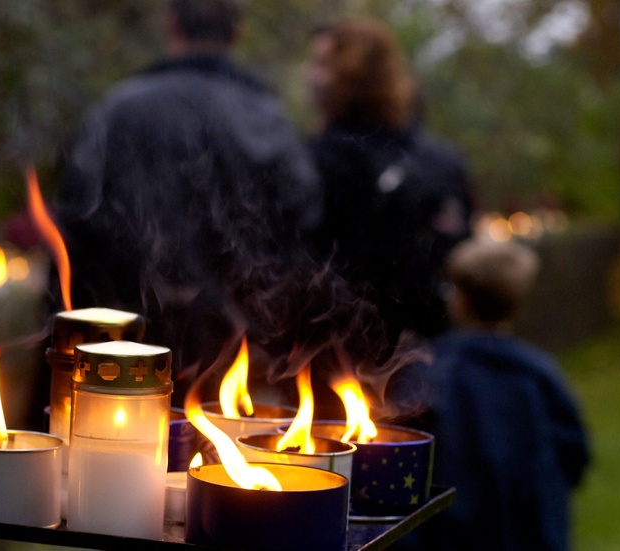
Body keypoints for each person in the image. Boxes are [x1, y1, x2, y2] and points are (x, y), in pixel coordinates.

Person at [54, 0, 322, 394]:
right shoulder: (266, 118)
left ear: (172, 25)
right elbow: (302, 227)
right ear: (237, 32)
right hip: (238, 355)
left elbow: (76, 223)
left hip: (125, 352)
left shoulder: (120, 109)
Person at [399, 238, 590, 551]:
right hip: (530, 531)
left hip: (450, 535)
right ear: (519, 301)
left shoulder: (427, 373)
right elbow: (573, 452)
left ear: (458, 300)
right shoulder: (539, 374)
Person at [306, 17, 474, 341]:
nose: (309, 75)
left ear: (352, 77)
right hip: (431, 347)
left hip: (349, 353)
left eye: (322, 65)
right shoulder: (443, 160)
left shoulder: (324, 160)